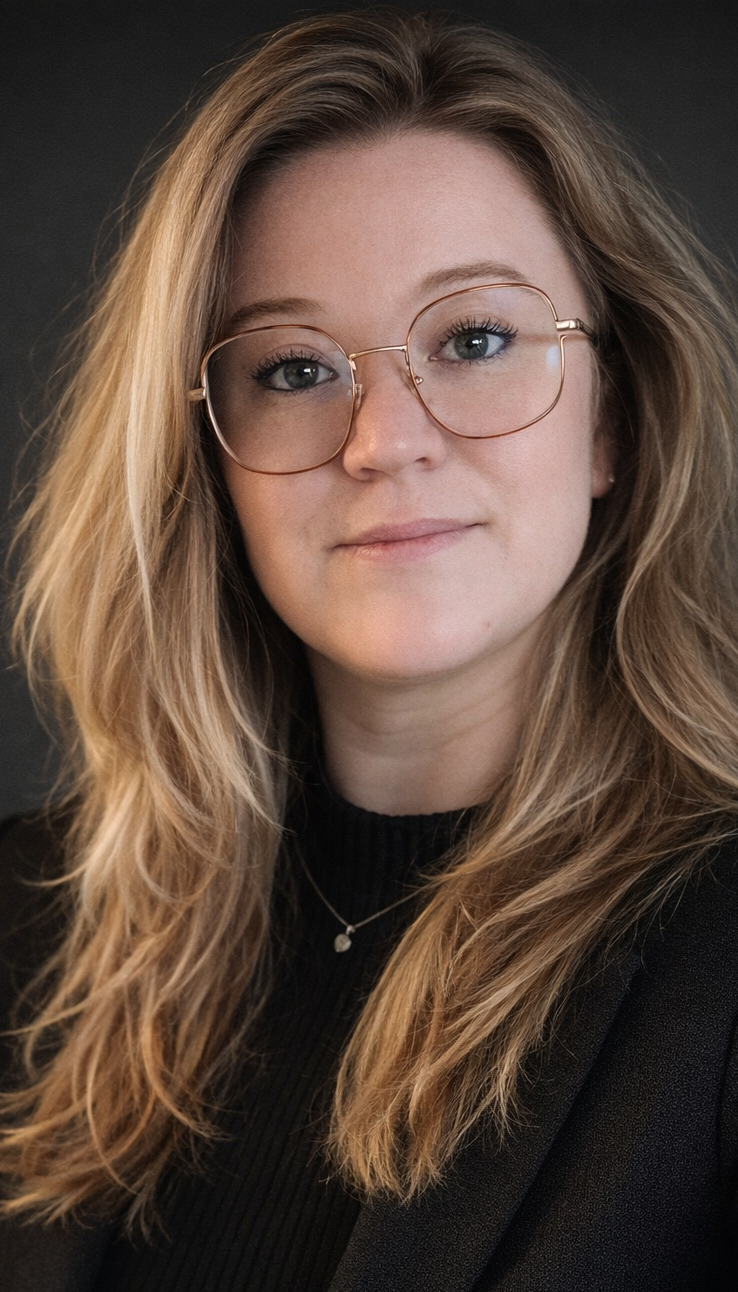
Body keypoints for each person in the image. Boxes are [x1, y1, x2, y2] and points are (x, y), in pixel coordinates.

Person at [1, 9, 737, 1289]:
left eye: (476, 339)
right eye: (292, 368)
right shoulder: (28, 922)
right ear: (202, 460)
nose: (384, 437)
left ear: (615, 419)